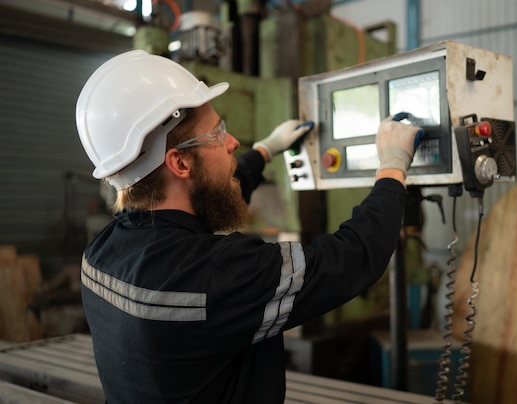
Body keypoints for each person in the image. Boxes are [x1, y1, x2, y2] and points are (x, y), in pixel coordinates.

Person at [76, 49, 421, 403]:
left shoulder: (101, 251)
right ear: (179, 162)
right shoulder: (213, 276)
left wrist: (266, 150)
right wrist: (393, 166)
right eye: (217, 134)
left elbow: (208, 192)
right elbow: (352, 257)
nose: (231, 142)